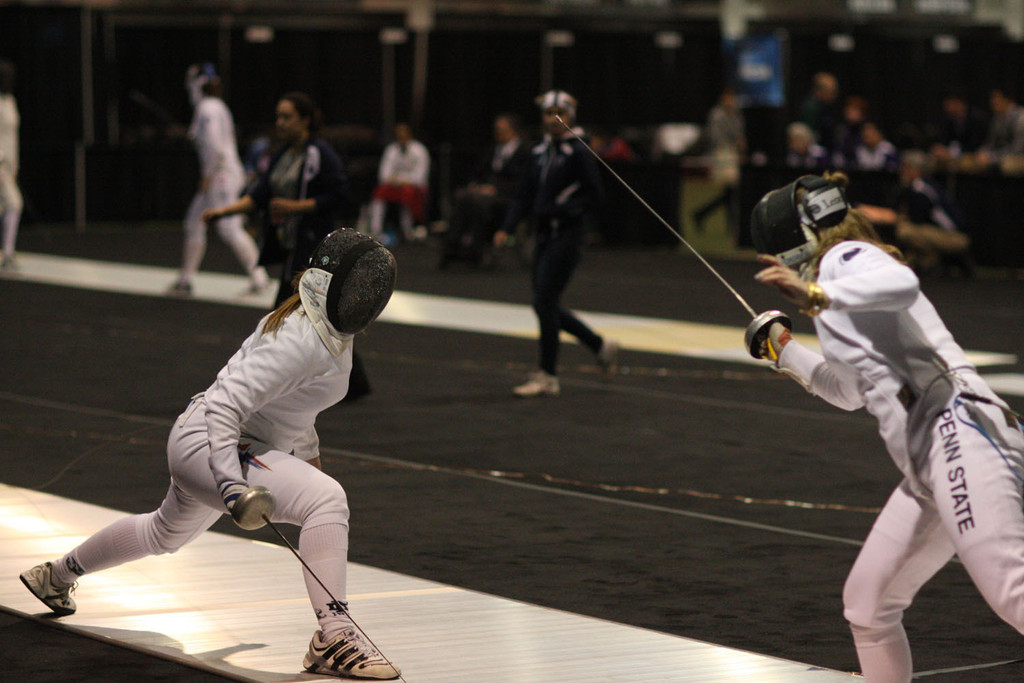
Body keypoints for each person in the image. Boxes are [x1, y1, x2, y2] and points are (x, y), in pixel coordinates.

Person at [20, 229, 402, 680]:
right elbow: (224, 405)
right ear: (330, 285)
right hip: (209, 441)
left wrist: (309, 463)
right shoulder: (298, 338)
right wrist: (230, 484)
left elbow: (298, 408)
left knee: (164, 534)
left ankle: (56, 576)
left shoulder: (328, 333)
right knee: (327, 499)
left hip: (220, 442)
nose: (366, 299)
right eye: (360, 287)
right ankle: (334, 636)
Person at [749, 171, 1024, 683]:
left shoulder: (845, 259)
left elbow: (902, 283)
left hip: (957, 432)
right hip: (931, 461)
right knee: (868, 605)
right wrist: (783, 350)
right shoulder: (837, 289)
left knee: (1014, 592)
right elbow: (849, 390)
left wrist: (816, 294)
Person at [493, 90, 619, 397]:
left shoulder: (579, 151)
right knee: (545, 303)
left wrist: (567, 209)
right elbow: (524, 195)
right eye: (548, 113)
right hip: (543, 235)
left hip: (568, 235)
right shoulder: (538, 152)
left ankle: (547, 374)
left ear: (571, 117)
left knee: (544, 302)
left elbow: (595, 195)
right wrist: (507, 227)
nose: (553, 119)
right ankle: (599, 345)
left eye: (559, 113)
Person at [202, 91, 349, 309]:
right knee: (290, 312)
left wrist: (295, 207)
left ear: (305, 120)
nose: (280, 123)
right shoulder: (282, 154)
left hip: (313, 248)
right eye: (278, 117)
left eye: (286, 117)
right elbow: (259, 195)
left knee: (292, 313)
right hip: (291, 245)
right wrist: (222, 212)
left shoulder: (320, 153)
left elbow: (339, 195)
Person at [168, 64, 269, 297]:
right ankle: (185, 280)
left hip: (220, 176)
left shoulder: (208, 108)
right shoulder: (215, 107)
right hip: (220, 175)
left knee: (229, 228)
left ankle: (260, 278)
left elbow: (215, 147)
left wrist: (207, 176)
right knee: (194, 221)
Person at [439, 113, 529, 268]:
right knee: (462, 196)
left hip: (508, 197)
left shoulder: (525, 151)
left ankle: (476, 249)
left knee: (479, 201)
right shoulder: (493, 149)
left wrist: (495, 189)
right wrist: (475, 185)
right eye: (496, 130)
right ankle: (452, 247)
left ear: (513, 131)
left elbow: (524, 182)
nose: (498, 133)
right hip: (485, 193)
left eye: (501, 130)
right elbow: (480, 172)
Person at [692, 87, 746, 234]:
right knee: (730, 191)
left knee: (730, 192)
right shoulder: (717, 114)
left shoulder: (735, 113)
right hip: (722, 153)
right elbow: (715, 137)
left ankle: (702, 215)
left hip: (733, 154)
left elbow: (740, 134)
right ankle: (705, 216)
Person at [368, 122, 430, 245]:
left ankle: (408, 232)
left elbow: (420, 177)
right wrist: (399, 181)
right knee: (379, 194)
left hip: (414, 187)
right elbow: (383, 175)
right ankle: (375, 231)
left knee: (408, 194)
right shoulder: (391, 150)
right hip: (394, 186)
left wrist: (400, 179)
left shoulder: (420, 150)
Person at [0, 59, 23, 272]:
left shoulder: (10, 101)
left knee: (4, 207)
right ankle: (8, 254)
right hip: (0, 166)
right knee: (14, 203)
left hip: (10, 166)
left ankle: (7, 253)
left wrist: (13, 164)